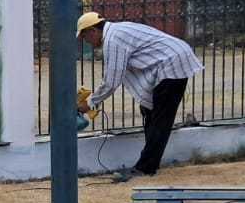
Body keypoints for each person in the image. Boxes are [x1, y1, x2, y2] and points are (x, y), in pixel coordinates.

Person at [77, 12, 204, 183]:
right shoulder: (116, 31)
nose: (85, 41)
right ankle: (148, 164)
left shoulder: (113, 40)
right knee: (151, 114)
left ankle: (145, 168)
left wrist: (91, 102)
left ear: (93, 30)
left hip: (172, 63)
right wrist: (146, 98)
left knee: (160, 119)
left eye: (84, 36)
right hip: (170, 61)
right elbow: (146, 62)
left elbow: (112, 81)